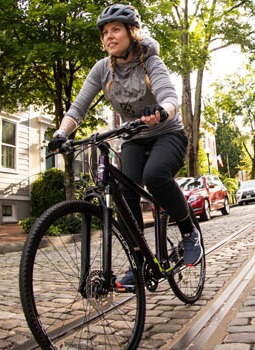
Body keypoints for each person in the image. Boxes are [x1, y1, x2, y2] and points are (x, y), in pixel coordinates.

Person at [48, 4, 203, 275]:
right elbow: (78, 108)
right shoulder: (101, 70)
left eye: (116, 30)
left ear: (132, 32)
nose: (109, 36)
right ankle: (139, 259)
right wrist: (61, 133)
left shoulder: (151, 61)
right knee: (124, 189)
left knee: (155, 175)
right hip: (132, 138)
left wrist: (161, 111)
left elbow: (169, 96)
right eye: (105, 32)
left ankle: (190, 232)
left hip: (168, 133)